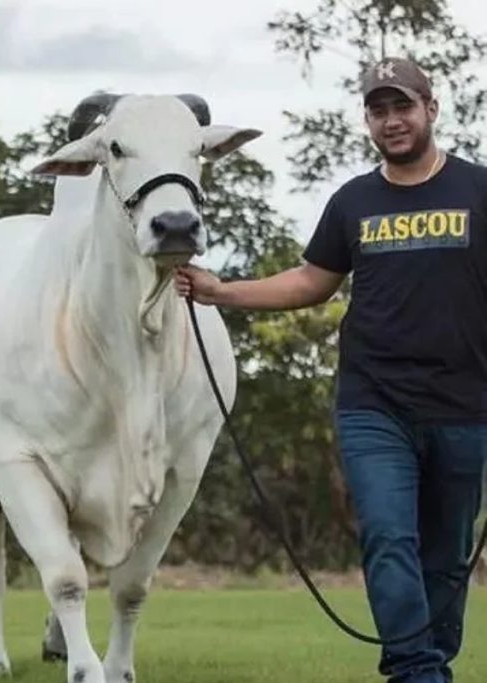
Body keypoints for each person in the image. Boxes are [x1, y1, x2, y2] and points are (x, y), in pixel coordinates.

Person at [176, 57, 487, 683]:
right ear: (368, 121)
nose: (392, 121)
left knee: (447, 557)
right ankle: (416, 673)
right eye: (379, 110)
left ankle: (429, 658)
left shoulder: (478, 190)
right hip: (374, 404)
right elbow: (312, 282)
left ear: (431, 108)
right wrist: (220, 292)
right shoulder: (353, 201)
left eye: (403, 106)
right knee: (388, 537)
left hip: (466, 405)